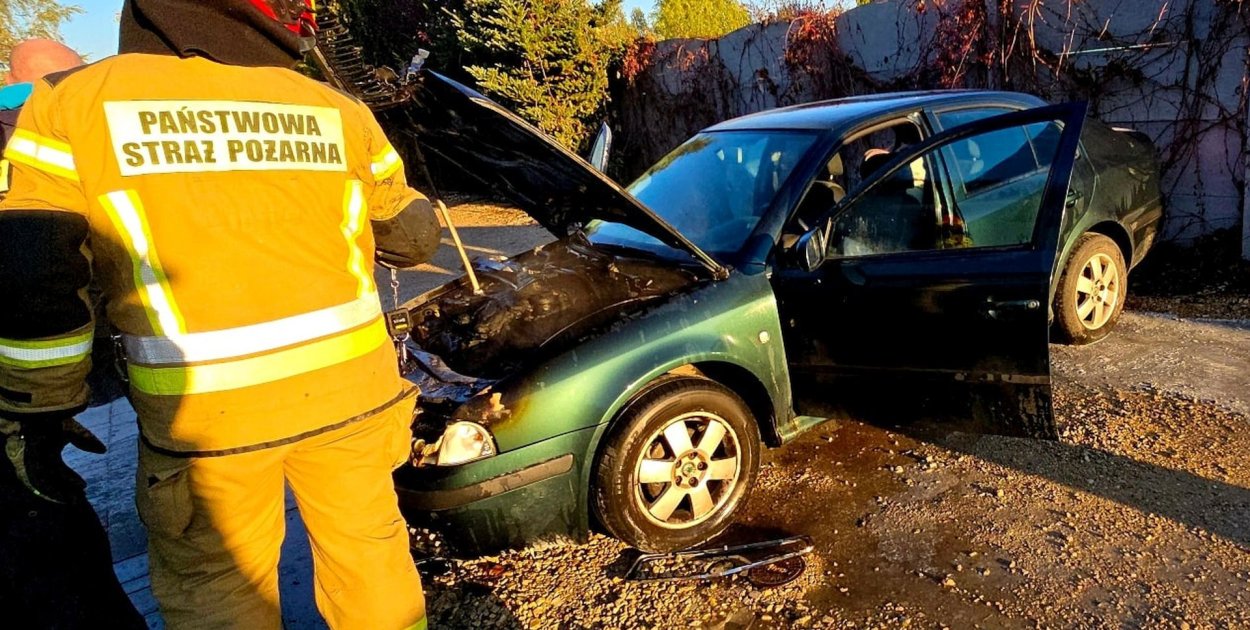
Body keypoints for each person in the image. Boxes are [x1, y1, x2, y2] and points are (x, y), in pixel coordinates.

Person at [0, 1, 440, 628]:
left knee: (219, 586)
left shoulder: (75, 103)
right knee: (371, 559)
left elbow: (35, 268)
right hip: (351, 398)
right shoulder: (337, 110)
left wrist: (38, 409)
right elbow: (412, 238)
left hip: (206, 421)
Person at [0, 38, 143, 630]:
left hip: (26, 389)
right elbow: (39, 274)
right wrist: (44, 407)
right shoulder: (37, 138)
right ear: (49, 81)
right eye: (78, 77)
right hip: (21, 399)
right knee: (53, 556)